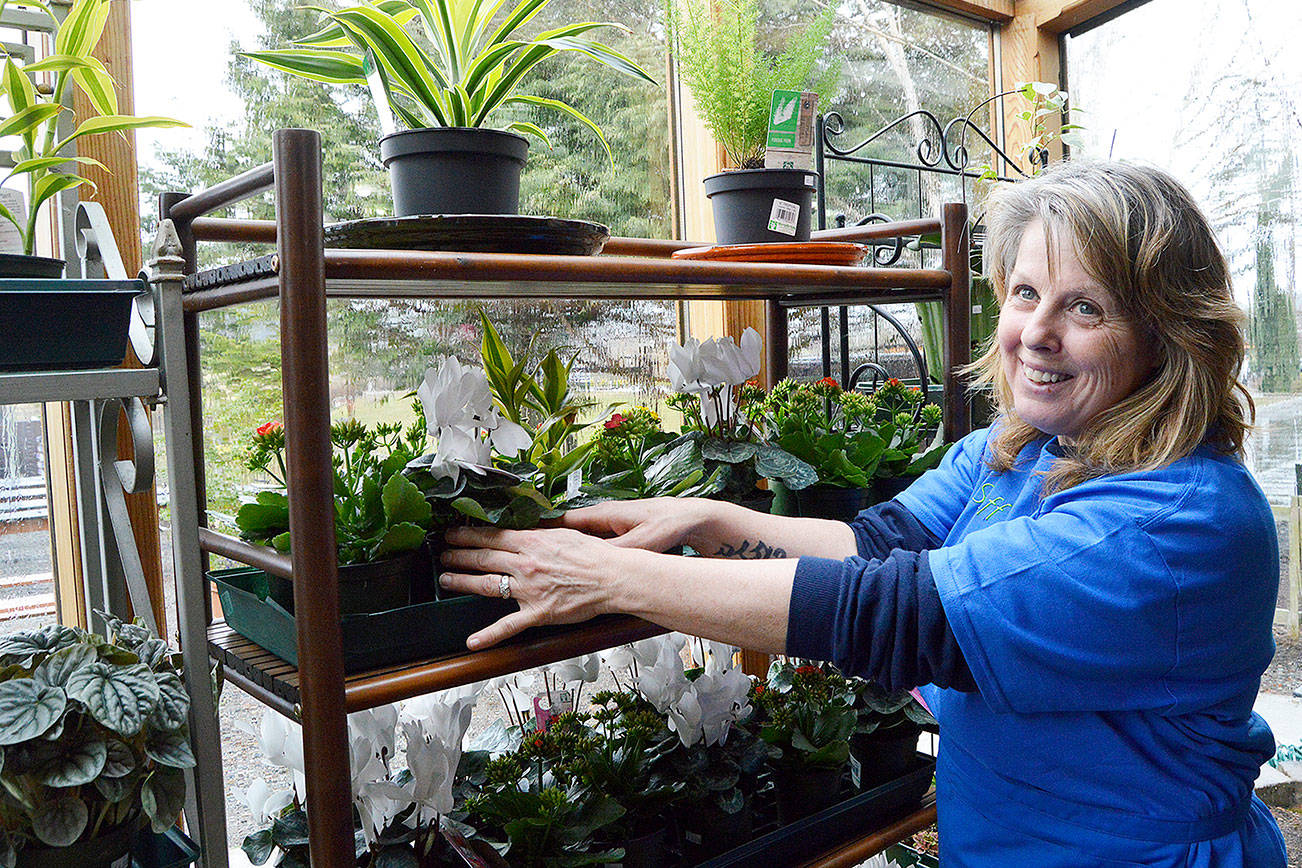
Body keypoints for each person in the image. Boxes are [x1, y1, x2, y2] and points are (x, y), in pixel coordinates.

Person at [438, 160, 1287, 867]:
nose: (1035, 331)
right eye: (1026, 292)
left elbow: (901, 616)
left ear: (1169, 333)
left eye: (1086, 307)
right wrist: (706, 519)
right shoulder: (1022, 447)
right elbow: (878, 543)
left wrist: (609, 578)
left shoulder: (1181, 524)